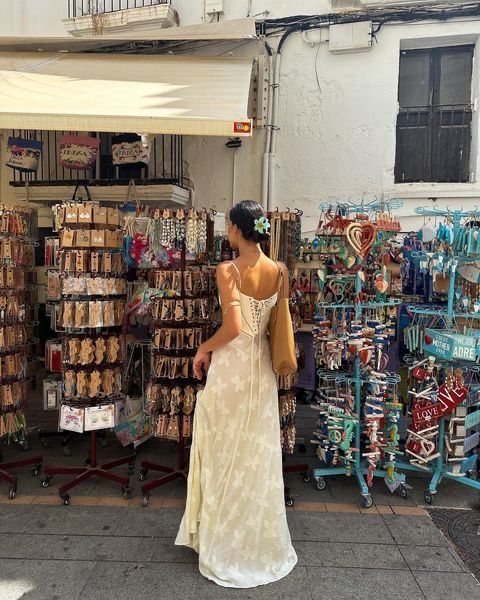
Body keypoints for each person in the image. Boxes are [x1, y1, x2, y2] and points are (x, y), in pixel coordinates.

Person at [175, 200, 298, 588]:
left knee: (222, 449)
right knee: (255, 452)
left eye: (228, 225)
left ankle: (222, 538)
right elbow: (270, 325)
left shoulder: (227, 269)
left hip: (231, 368)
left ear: (236, 229)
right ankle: (258, 542)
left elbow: (232, 326)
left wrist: (203, 347)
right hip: (260, 369)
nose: (225, 231)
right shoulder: (279, 271)